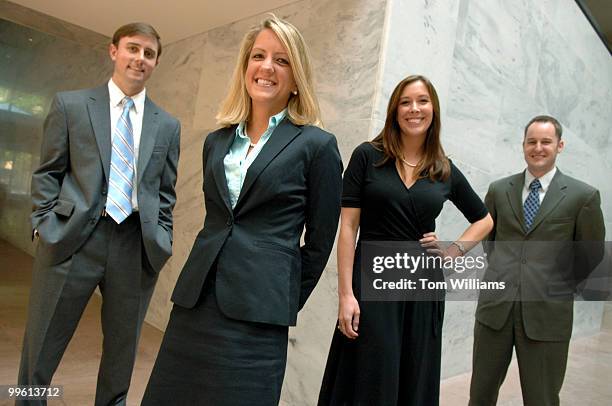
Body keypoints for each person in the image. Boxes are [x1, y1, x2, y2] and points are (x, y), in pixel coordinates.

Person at [141, 15, 342, 405]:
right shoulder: (216, 142)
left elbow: (319, 243)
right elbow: (218, 220)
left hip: (257, 314)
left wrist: (279, 296)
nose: (266, 67)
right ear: (245, 66)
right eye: (259, 56)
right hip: (196, 301)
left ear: (297, 77)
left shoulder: (317, 146)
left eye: (281, 60)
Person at [17, 23, 180, 406]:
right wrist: (45, 224)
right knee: (41, 348)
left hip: (135, 246)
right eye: (133, 48)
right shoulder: (71, 105)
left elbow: (166, 191)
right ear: (113, 51)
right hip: (72, 240)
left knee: (122, 355)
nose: (140, 58)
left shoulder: (168, 125)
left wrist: (163, 236)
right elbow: (48, 173)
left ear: (155, 62)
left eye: (149, 53)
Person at [318, 74, 493, 406]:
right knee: (372, 371)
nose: (415, 109)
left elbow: (484, 220)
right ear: (395, 110)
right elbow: (347, 228)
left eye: (423, 101)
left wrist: (453, 250)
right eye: (406, 102)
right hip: (372, 277)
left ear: (434, 110)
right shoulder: (367, 156)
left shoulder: (443, 169)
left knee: (414, 371)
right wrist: (345, 295)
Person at [469, 115, 605, 406]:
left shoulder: (583, 196)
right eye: (532, 141)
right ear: (523, 145)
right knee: (480, 395)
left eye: (546, 141)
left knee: (541, 398)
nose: (538, 148)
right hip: (495, 311)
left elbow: (590, 255)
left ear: (560, 145)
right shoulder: (498, 190)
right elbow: (489, 243)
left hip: (548, 315)